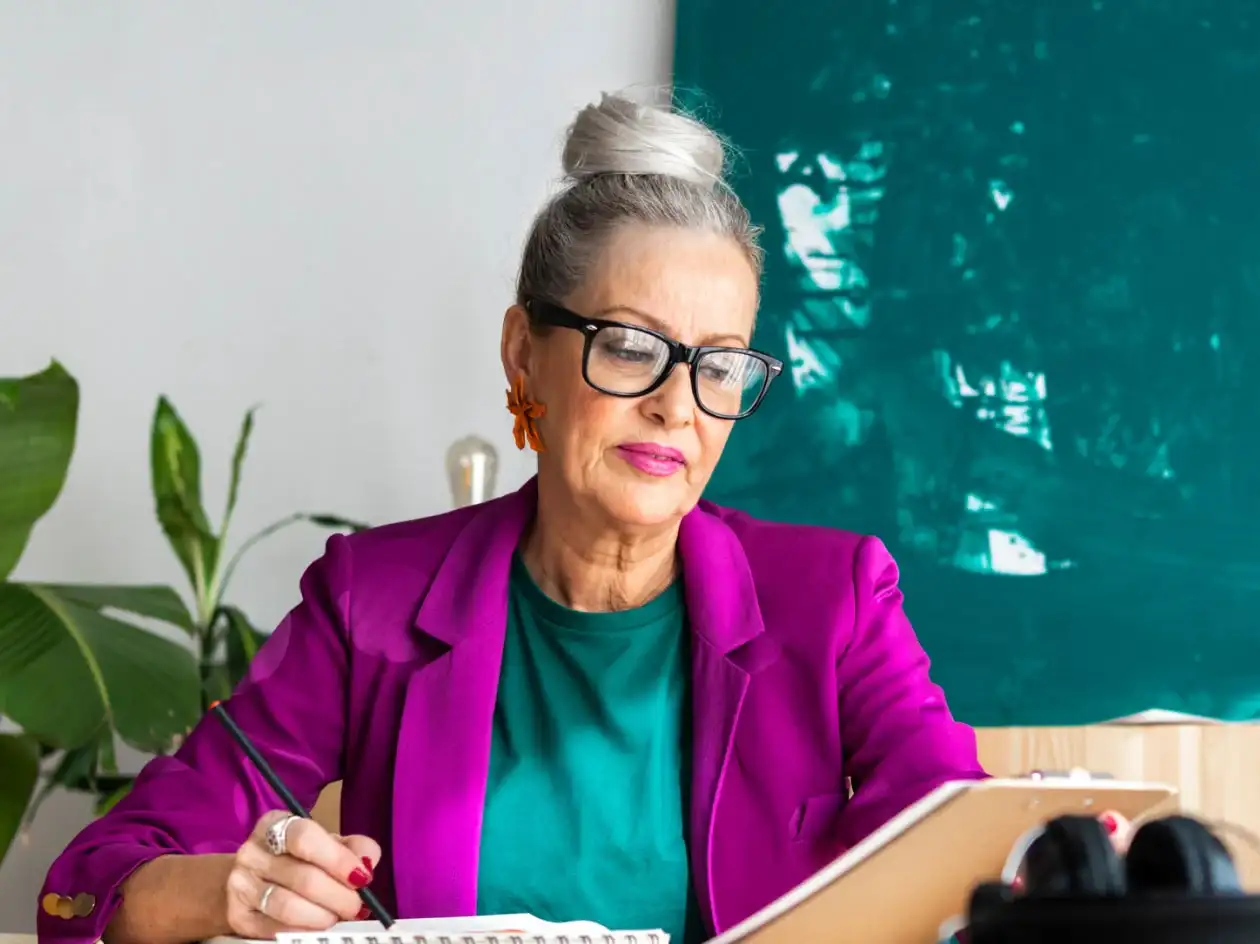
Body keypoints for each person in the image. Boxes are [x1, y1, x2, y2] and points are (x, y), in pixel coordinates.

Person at [39, 92, 1104, 944]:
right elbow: (92, 881)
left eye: (719, 364)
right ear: (523, 354)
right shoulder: (372, 599)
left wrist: (1032, 857)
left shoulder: (834, 600)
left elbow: (951, 836)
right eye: (632, 345)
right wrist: (230, 888)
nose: (677, 404)